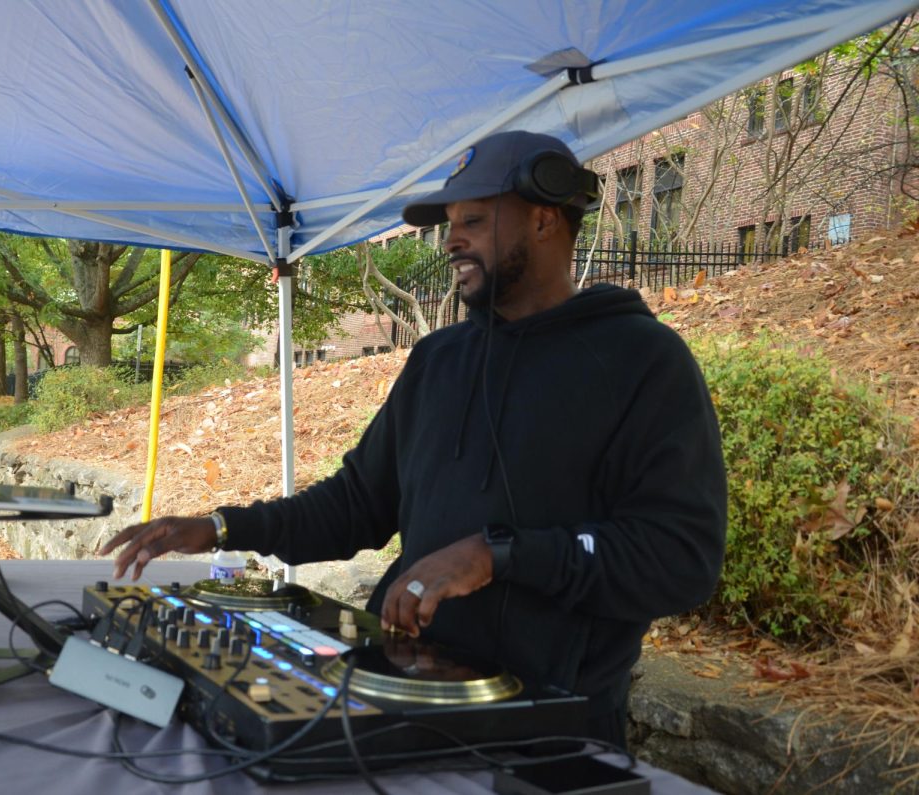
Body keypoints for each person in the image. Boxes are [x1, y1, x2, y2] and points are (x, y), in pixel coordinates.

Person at [99, 130, 727, 748]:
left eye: (474, 221)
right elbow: (357, 505)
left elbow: (680, 559)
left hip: (548, 731)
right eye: (450, 222)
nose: (450, 240)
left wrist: (499, 554)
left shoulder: (643, 361)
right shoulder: (437, 359)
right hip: (401, 694)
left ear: (544, 221)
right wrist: (220, 527)